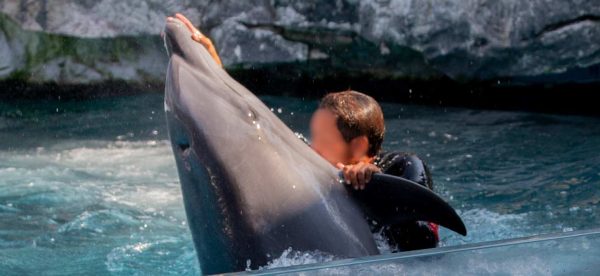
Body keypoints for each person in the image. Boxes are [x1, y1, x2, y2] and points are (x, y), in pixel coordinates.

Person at [174, 13, 438, 252]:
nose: (312, 147)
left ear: (358, 145)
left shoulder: (402, 168)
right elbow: (258, 142)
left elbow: (425, 247)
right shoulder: (317, 167)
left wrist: (375, 185)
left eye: (324, 139)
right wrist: (214, 69)